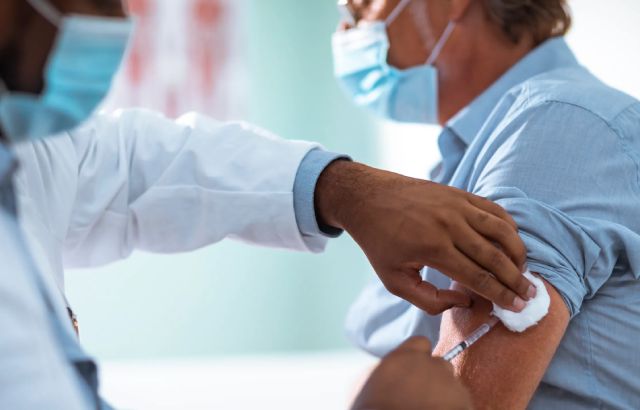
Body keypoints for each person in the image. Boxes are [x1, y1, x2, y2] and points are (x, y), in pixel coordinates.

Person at [0, 0, 530, 408]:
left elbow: (135, 162)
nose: (119, 24)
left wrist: (339, 188)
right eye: (94, 2)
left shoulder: (25, 144)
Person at [340, 0, 640, 408]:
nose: (345, 29)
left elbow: (464, 395)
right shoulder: (461, 161)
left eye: (361, 7)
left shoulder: (555, 125)